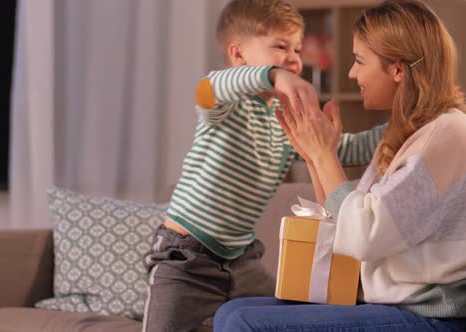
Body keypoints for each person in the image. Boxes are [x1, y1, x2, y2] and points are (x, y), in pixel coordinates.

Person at [214, 0, 466, 331]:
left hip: (433, 316)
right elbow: (344, 229)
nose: (351, 73)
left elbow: (363, 236)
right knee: (231, 312)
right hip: (395, 305)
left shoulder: (446, 133)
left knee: (244, 322)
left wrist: (325, 157)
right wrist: (314, 156)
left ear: (397, 69)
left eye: (360, 60)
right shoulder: (408, 135)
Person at [142, 1, 385, 331]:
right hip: (186, 259)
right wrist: (273, 75)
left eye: (297, 49)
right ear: (238, 56)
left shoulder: (284, 121)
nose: (293, 59)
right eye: (280, 46)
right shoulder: (224, 107)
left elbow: (344, 149)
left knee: (279, 320)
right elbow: (208, 87)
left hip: (242, 261)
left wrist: (405, 127)